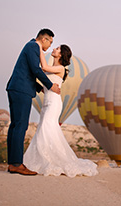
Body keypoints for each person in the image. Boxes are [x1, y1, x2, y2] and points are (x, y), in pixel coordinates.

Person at [23, 44, 98, 177]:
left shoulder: (60, 68)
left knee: (46, 127)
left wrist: (39, 49)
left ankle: (49, 160)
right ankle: (42, 159)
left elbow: (44, 68)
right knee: (43, 129)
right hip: (46, 102)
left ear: (61, 55)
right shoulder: (52, 68)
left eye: (57, 49)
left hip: (53, 103)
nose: (54, 49)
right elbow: (41, 74)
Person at [6, 29, 61, 175]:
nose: (50, 46)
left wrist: (39, 88)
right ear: (45, 39)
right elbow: (35, 70)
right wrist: (50, 86)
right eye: (50, 42)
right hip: (21, 90)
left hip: (17, 88)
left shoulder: (30, 46)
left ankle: (12, 163)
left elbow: (28, 72)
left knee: (15, 125)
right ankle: (17, 163)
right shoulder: (33, 46)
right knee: (20, 126)